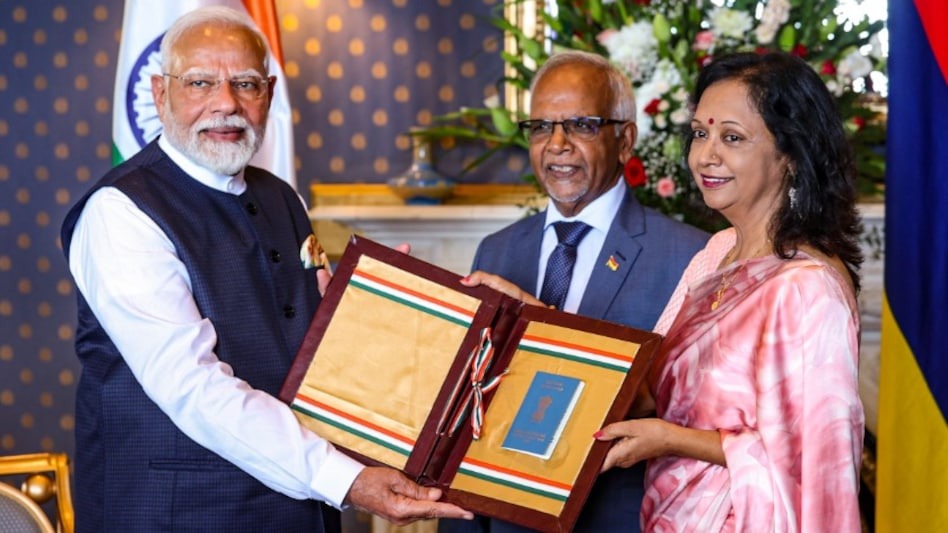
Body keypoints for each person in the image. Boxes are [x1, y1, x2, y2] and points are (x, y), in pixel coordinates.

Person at [60, 7, 471, 532]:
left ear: (269, 95)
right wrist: (345, 479)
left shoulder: (283, 198)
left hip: (299, 512)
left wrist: (375, 312)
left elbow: (310, 350)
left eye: (245, 83)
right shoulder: (120, 212)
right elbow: (192, 387)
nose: (226, 103)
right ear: (161, 94)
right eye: (200, 82)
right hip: (180, 516)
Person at [594, 51, 865, 531]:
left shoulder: (807, 288)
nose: (705, 156)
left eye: (732, 138)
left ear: (790, 155)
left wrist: (673, 440)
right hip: (672, 515)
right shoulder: (715, 252)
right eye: (700, 133)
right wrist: (528, 323)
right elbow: (650, 387)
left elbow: (814, 458)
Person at [446, 50, 708, 532]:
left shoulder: (690, 256)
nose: (557, 145)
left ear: (624, 140)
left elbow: (694, 416)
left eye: (581, 125)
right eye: (541, 127)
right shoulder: (497, 251)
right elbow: (471, 408)